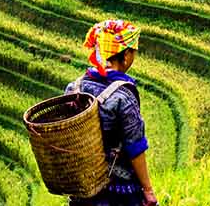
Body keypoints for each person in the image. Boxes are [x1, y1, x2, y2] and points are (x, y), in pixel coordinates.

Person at [68, 19, 159, 206]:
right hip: (118, 191)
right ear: (125, 56)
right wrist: (148, 190)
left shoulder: (74, 88)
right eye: (133, 53)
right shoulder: (123, 96)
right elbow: (135, 146)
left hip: (84, 187)